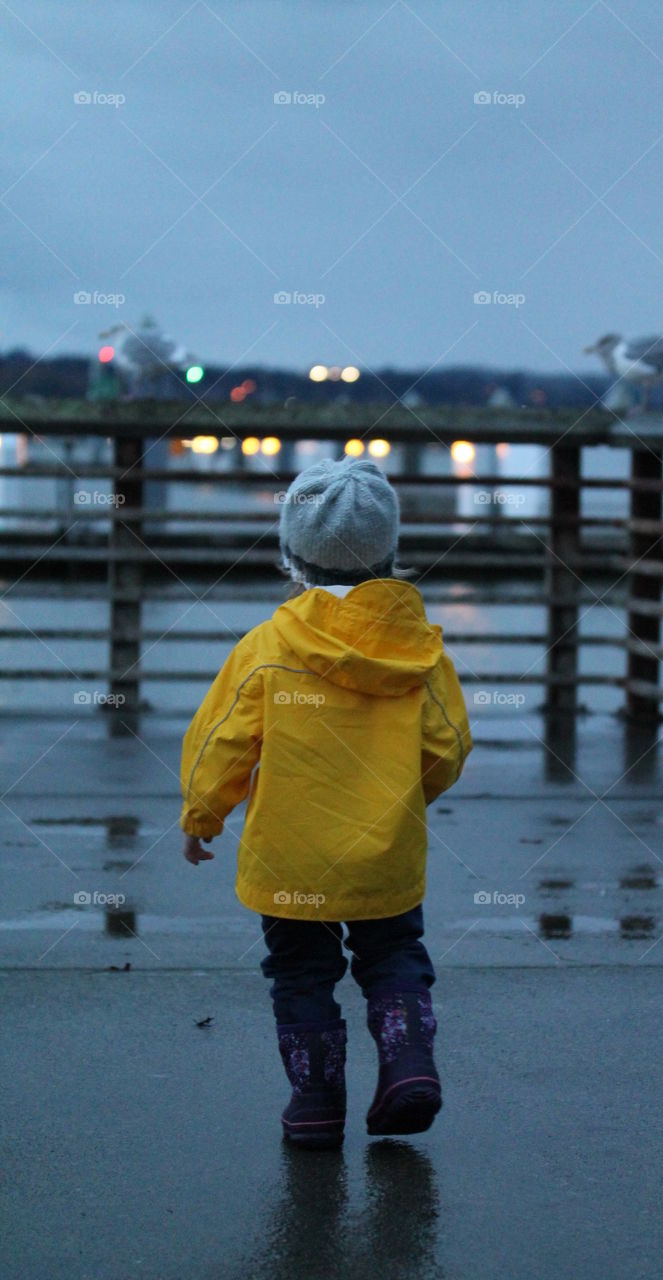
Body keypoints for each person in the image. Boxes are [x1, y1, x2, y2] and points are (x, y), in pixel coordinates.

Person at [179, 456, 472, 1149]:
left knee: (300, 972)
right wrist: (404, 792)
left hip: (290, 855)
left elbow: (220, 741)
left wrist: (202, 817)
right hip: (383, 851)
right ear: (392, 553)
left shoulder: (268, 646)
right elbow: (448, 745)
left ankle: (314, 1102)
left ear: (291, 556)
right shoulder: (420, 651)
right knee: (394, 954)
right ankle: (407, 1065)